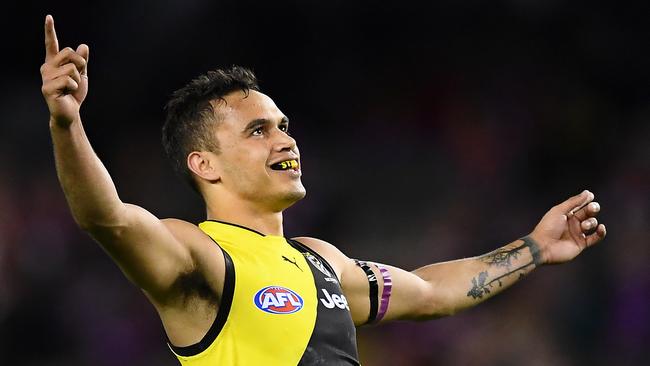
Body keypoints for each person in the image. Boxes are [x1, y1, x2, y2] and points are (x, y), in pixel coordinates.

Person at [40, 14, 607, 365]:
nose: (285, 140)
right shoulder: (199, 256)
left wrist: (533, 249)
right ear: (204, 164)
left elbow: (432, 293)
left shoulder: (321, 264)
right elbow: (107, 218)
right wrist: (68, 125)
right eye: (258, 130)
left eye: (284, 126)